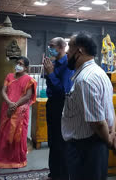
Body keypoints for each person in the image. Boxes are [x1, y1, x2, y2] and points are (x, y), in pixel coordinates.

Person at [62, 32, 116, 180]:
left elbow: (97, 121)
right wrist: (111, 134)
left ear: (80, 50)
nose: (66, 52)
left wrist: (109, 141)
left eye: (70, 46)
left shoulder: (85, 80)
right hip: (98, 142)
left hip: (85, 148)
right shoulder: (99, 73)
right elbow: (109, 110)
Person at [0, 56, 37, 168]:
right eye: (17, 63)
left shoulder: (29, 80)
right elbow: (3, 90)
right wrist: (9, 102)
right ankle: (1, 158)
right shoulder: (9, 76)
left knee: (18, 135)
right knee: (4, 133)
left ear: (26, 67)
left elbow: (28, 96)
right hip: (7, 108)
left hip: (20, 111)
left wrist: (15, 104)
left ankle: (17, 160)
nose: (18, 65)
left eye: (21, 64)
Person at [43, 37, 74, 180]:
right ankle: (54, 173)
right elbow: (48, 82)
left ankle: (63, 175)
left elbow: (64, 91)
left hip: (62, 105)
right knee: (53, 141)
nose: (50, 48)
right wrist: (48, 71)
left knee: (61, 142)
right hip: (51, 104)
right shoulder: (53, 63)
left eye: (52, 46)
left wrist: (51, 73)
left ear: (62, 47)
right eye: (49, 46)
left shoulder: (67, 65)